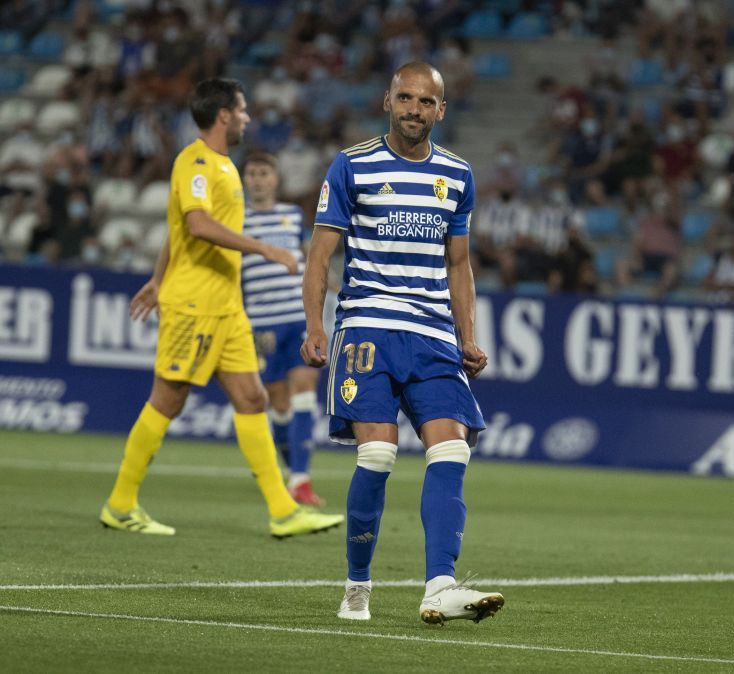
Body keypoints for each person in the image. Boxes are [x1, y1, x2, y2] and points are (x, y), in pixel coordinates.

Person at [301, 62, 504, 625]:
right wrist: (315, 326)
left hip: (434, 333)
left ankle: (439, 586)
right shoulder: (352, 165)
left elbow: (459, 263)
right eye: (405, 98)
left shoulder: (458, 176)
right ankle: (357, 586)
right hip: (367, 323)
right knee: (379, 453)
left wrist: (468, 336)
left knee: (452, 450)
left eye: (426, 101)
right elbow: (321, 255)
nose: (414, 109)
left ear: (442, 110)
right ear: (387, 100)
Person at [99, 78, 344, 538]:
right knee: (167, 401)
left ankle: (283, 511)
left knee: (252, 399)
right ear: (226, 114)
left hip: (228, 308)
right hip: (195, 305)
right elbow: (195, 224)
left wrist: (156, 278)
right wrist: (265, 249)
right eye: (244, 108)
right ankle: (120, 503)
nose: (249, 117)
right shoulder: (194, 162)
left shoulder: (224, 166)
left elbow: (177, 229)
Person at [241, 151, 324, 506]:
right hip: (262, 325)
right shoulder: (235, 222)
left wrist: (328, 283)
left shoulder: (291, 215)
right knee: (278, 405)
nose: (258, 179)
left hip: (298, 318)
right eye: (253, 173)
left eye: (264, 173)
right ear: (245, 180)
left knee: (305, 389)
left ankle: (301, 481)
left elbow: (309, 256)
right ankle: (292, 475)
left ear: (275, 179)